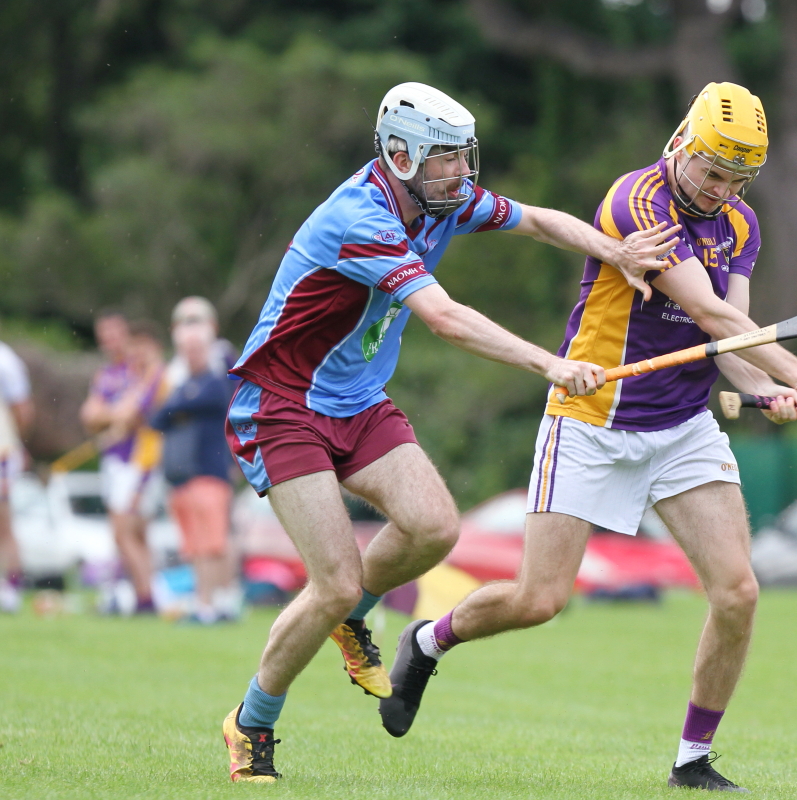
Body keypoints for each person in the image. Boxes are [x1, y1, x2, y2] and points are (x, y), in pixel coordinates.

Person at [380, 82, 797, 792]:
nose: (718, 188)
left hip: (683, 428)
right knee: (539, 601)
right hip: (591, 421)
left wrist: (771, 391)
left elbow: (732, 345)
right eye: (710, 169)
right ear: (682, 144)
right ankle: (429, 639)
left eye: (735, 178)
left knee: (738, 592)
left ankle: (692, 761)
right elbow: (711, 313)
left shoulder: (741, 226)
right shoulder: (637, 202)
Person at [220, 81, 675, 783]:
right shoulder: (360, 217)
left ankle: (351, 618)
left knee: (434, 528)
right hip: (282, 405)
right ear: (400, 155)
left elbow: (542, 222)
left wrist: (613, 252)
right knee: (335, 580)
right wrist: (552, 364)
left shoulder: (445, 202)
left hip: (357, 399)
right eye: (446, 160)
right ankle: (252, 722)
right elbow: (446, 318)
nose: (462, 173)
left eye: (464, 157)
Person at [151, 298, 239, 624]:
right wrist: (180, 404)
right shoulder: (181, 380)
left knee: (214, 542)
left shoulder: (217, 379)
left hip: (210, 469)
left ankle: (216, 602)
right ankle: (205, 602)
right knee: (196, 545)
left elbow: (171, 411)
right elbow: (158, 416)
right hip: (182, 473)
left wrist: (179, 406)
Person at [81, 313, 168, 614]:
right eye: (103, 334)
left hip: (139, 461)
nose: (110, 340)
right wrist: (114, 415)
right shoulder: (107, 373)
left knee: (125, 531)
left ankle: (146, 597)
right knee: (133, 534)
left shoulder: (145, 369)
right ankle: (140, 594)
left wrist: (115, 415)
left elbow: (133, 411)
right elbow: (90, 415)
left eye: (115, 333)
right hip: (117, 462)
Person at [0, 340, 33, 613]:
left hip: (1, 450)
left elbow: (22, 408)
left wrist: (16, 445)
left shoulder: (5, 359)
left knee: (3, 521)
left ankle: (12, 588)